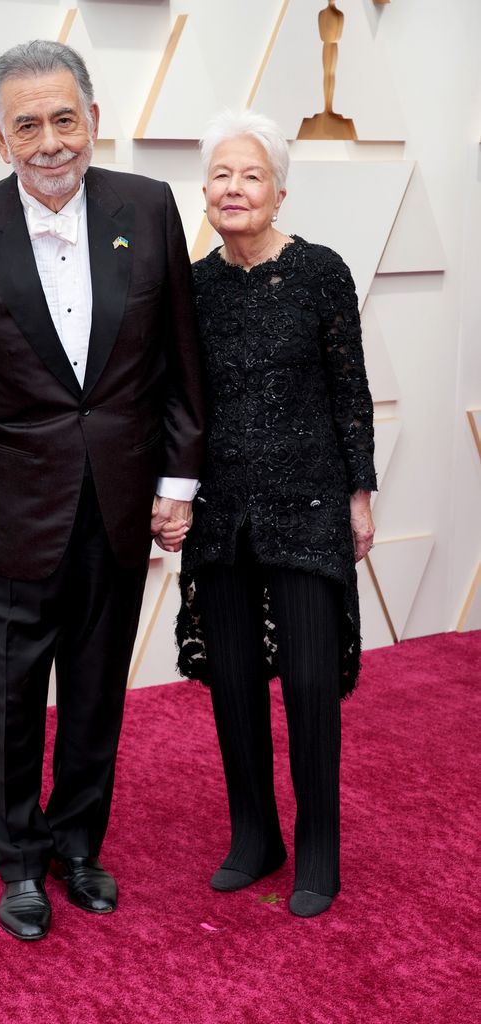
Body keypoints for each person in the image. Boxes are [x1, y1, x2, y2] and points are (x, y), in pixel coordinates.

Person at [0, 41, 203, 941]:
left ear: (94, 122)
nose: (49, 141)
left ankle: (79, 846)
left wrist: (178, 480)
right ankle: (21, 864)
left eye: (64, 118)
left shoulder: (148, 210)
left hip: (117, 503)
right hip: (2, 511)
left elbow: (180, 366)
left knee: (98, 693)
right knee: (6, 704)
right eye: (26, 124)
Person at [176, 110, 376, 918]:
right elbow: (178, 403)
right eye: (222, 174)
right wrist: (173, 494)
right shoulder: (191, 286)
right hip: (221, 512)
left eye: (250, 174)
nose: (234, 188)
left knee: (308, 685)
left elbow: (349, 391)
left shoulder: (322, 272)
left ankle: (318, 847)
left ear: (280, 190)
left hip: (309, 504)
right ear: (205, 190)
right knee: (232, 684)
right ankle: (254, 834)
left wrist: (359, 494)